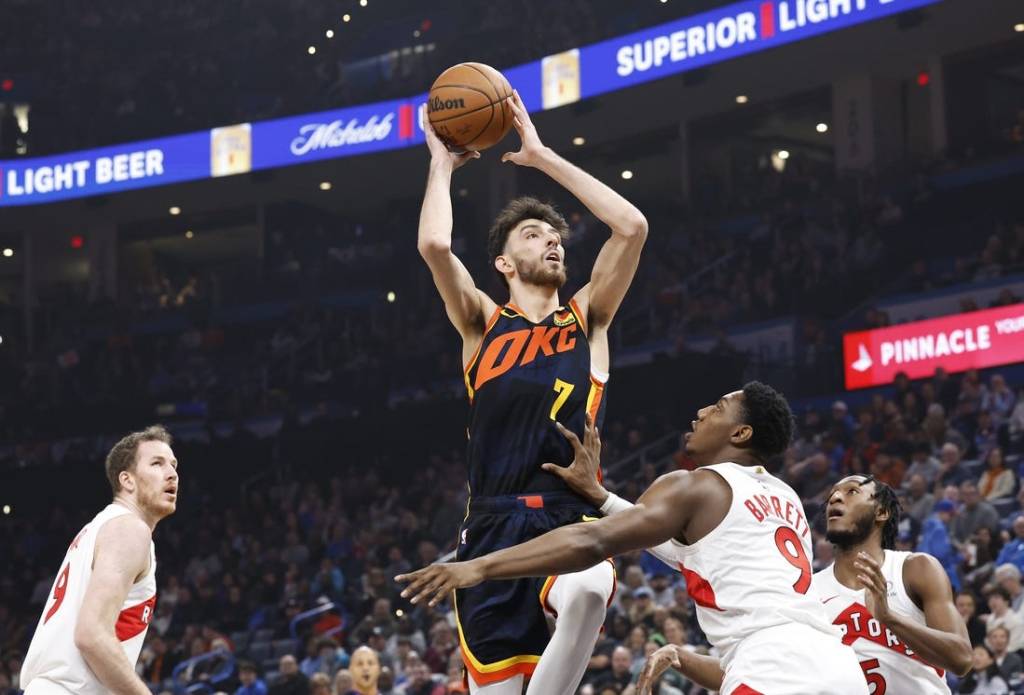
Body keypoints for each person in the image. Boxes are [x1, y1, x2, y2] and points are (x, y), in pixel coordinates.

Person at [398, 383, 867, 694]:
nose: (702, 411)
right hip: (839, 667)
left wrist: (478, 566)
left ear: (741, 432)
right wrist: (600, 495)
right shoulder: (782, 497)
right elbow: (690, 555)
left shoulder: (694, 484)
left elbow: (592, 544)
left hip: (773, 666)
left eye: (718, 408)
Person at [415, 88, 647, 695]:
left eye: (556, 236)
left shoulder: (586, 318)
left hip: (567, 515)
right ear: (504, 263)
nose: (553, 241)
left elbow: (631, 226)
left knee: (591, 589)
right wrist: (441, 164)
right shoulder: (481, 325)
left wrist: (541, 156)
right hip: (489, 525)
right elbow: (434, 246)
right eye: (534, 235)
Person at [20, 426, 178, 695]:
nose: (172, 473)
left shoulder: (100, 527)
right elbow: (91, 635)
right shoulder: (130, 529)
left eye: (174, 465)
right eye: (157, 463)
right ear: (127, 481)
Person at [814, 475, 972, 692]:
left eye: (851, 491)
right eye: (832, 494)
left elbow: (961, 659)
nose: (835, 498)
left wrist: (888, 617)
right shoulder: (810, 591)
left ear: (881, 512)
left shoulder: (915, 569)